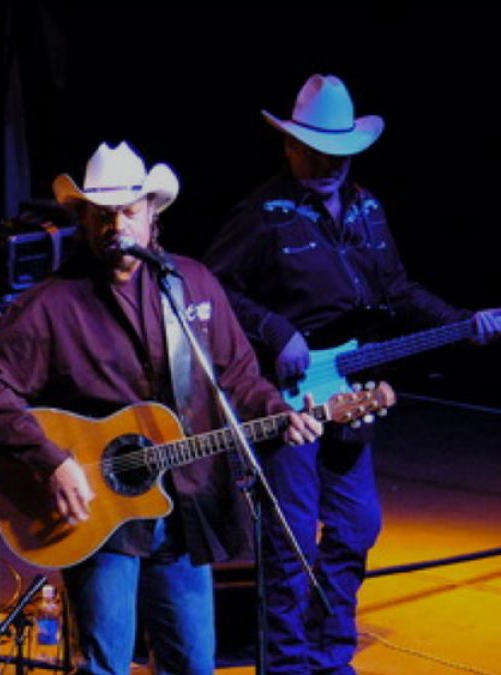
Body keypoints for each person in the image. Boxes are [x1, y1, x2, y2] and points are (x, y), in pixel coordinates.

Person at [0, 140, 322, 674]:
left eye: (128, 212)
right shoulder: (52, 305)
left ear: (154, 214)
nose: (116, 227)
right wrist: (52, 459)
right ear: (82, 219)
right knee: (105, 664)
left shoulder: (191, 284)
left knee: (193, 664)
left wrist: (277, 410)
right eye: (101, 215)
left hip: (187, 501)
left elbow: (237, 372)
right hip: (102, 512)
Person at [203, 74, 500, 674]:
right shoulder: (261, 215)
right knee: (289, 543)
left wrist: (464, 322)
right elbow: (212, 289)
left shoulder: (367, 209)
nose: (329, 162)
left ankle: (331, 655)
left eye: (339, 152)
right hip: (287, 397)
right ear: (289, 147)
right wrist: (274, 330)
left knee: (357, 526)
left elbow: (396, 288)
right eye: (316, 150)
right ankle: (286, 665)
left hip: (351, 384)